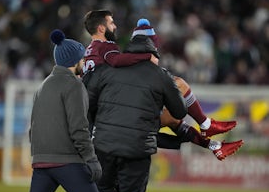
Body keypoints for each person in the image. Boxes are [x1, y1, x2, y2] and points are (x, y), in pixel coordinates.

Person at [83, 10, 243, 161]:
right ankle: (205, 124)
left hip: (105, 117)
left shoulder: (90, 51)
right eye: (111, 23)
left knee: (171, 120)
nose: (115, 26)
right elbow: (117, 61)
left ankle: (214, 145)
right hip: (114, 112)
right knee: (178, 84)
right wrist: (147, 56)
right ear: (101, 28)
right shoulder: (106, 46)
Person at [86, 39, 188, 192]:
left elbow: (89, 103)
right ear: (151, 55)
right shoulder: (160, 76)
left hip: (104, 145)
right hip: (137, 149)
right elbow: (180, 111)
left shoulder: (108, 69)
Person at [27, 29, 103, 192]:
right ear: (74, 60)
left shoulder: (42, 86)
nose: (84, 61)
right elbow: (79, 128)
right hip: (66, 161)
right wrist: (91, 159)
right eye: (82, 58)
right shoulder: (74, 85)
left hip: (41, 161)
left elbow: (33, 129)